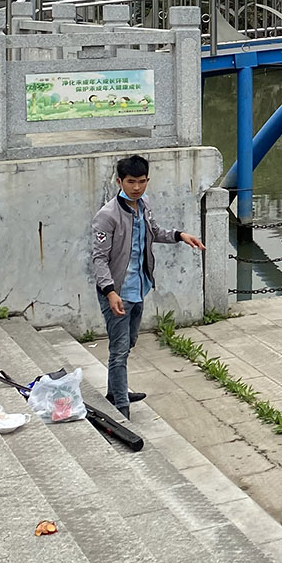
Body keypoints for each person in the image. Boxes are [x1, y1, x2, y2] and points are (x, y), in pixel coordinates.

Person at [89, 154, 205, 420]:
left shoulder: (144, 205)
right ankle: (121, 408)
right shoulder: (107, 216)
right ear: (119, 181)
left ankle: (114, 390)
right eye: (131, 182)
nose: (137, 187)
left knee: (128, 343)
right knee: (118, 350)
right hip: (116, 293)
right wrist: (110, 292)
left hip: (138, 288)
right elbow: (99, 259)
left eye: (142, 181)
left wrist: (180, 236)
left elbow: (153, 231)